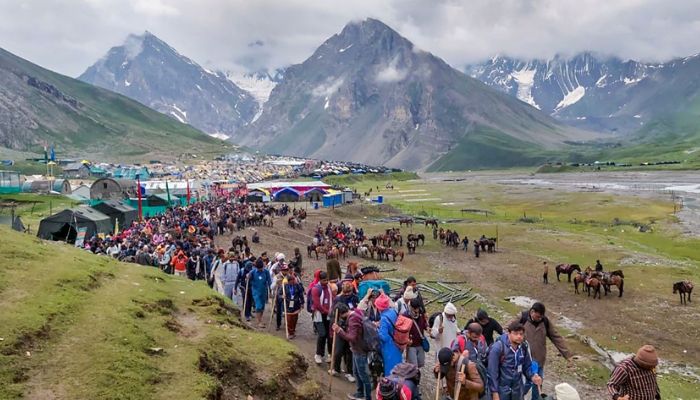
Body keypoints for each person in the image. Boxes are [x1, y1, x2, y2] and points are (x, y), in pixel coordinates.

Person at [510, 302, 573, 400]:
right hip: (523, 358)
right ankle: (516, 396)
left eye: (541, 317)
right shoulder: (522, 318)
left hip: (539, 359)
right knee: (527, 382)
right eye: (538, 316)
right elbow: (508, 331)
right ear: (532, 312)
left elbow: (556, 337)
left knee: (538, 383)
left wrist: (567, 355)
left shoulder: (545, 322)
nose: (540, 319)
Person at [487, 321, 542, 400]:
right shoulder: (498, 348)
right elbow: (492, 373)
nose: (519, 336)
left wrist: (533, 376)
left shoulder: (523, 347)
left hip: (517, 390)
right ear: (509, 333)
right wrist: (495, 393)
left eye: (521, 334)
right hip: (501, 390)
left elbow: (527, 366)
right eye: (516, 334)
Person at [333, 306, 372, 400]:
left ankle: (367, 397)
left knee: (363, 374)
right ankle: (360, 393)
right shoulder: (357, 312)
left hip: (360, 350)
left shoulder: (353, 320)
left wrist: (339, 331)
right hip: (357, 349)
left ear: (342, 314)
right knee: (356, 372)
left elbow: (352, 338)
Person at [377, 292, 402, 376]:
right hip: (397, 342)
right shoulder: (393, 312)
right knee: (398, 366)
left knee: (390, 369)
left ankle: (391, 386)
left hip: (388, 346)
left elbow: (383, 336)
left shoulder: (384, 318)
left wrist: (377, 329)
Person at [329, 303, 355, 382]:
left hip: (348, 336)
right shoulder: (335, 314)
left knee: (349, 353)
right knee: (337, 352)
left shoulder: (351, 317)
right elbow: (332, 324)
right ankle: (336, 369)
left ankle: (349, 372)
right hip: (339, 336)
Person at [311, 271, 333, 364]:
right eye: (324, 280)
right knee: (322, 334)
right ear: (320, 280)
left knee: (329, 335)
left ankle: (330, 354)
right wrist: (326, 311)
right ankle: (318, 354)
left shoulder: (328, 287)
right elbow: (317, 304)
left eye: (327, 280)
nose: (326, 282)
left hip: (328, 314)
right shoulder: (316, 289)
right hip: (319, 315)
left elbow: (332, 298)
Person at [249, 257, 272, 329]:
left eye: (261, 268)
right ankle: (259, 322)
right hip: (256, 291)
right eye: (259, 268)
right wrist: (247, 277)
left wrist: (270, 291)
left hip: (264, 291)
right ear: (256, 267)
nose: (260, 269)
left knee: (262, 307)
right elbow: (248, 280)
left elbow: (269, 282)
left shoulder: (266, 272)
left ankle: (260, 319)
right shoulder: (252, 272)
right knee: (258, 306)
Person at [406, 298, 428, 368]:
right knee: (414, 365)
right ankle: (414, 377)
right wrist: (406, 339)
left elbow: (424, 324)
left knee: (421, 363)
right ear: (411, 307)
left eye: (417, 308)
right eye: (415, 308)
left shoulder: (421, 313)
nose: (416, 310)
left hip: (420, 343)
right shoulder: (406, 315)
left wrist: (427, 327)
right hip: (411, 344)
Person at [283, 273, 304, 339]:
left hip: (296, 304)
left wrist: (302, 303)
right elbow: (279, 294)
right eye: (292, 280)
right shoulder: (284, 286)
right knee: (289, 319)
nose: (293, 281)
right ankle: (290, 332)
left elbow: (301, 294)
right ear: (289, 281)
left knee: (294, 319)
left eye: (294, 280)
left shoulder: (297, 286)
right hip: (288, 304)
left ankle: (293, 330)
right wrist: (282, 296)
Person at [271, 264, 291, 331]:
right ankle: (278, 325)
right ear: (281, 270)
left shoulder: (289, 277)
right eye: (284, 270)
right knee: (279, 311)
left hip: (287, 296)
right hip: (279, 296)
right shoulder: (277, 277)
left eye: (286, 270)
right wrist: (276, 282)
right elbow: (272, 287)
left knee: (288, 310)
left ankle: (287, 324)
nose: (285, 272)